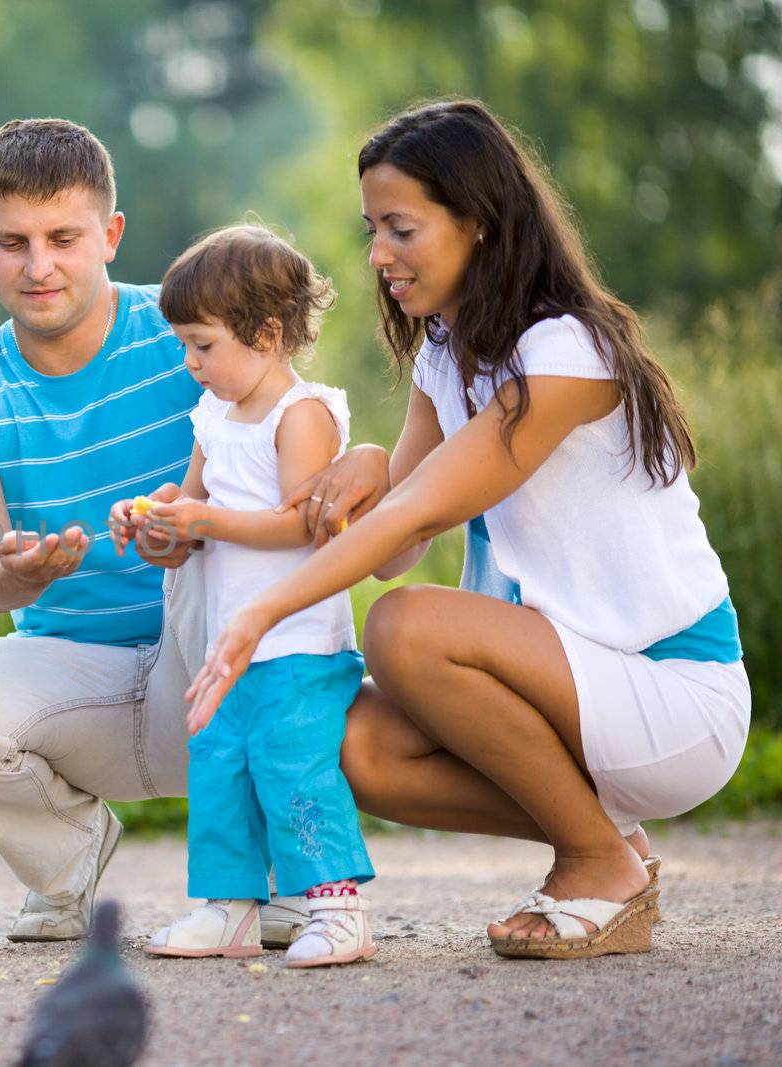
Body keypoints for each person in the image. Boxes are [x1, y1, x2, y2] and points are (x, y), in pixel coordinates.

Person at [188, 99, 750, 960]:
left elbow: (421, 513)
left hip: (670, 692)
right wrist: (371, 460)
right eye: (373, 229)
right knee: (358, 746)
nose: (379, 257)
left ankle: (596, 861)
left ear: (479, 222)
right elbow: (399, 543)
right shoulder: (446, 356)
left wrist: (259, 614)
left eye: (401, 230)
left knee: (406, 626)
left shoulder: (566, 352)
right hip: (564, 688)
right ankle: (610, 842)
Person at [0, 118, 312, 945]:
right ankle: (68, 857)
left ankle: (292, 866)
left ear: (111, 234)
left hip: (224, 659)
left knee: (248, 599)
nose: (38, 266)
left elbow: (298, 447)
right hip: (83, 687)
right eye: (12, 241)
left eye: (63, 237)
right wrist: (20, 570)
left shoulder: (196, 330)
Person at [115, 225, 377, 968]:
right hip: (227, 643)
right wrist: (159, 519)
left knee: (293, 764)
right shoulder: (212, 417)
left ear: (266, 332)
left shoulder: (304, 414)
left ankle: (336, 906)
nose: (190, 362)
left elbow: (305, 522)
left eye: (202, 345)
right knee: (219, 764)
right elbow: (195, 514)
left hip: (296, 643)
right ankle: (226, 908)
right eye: (184, 345)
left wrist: (206, 517)